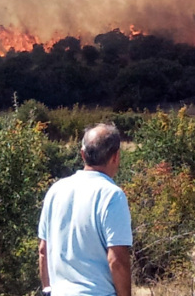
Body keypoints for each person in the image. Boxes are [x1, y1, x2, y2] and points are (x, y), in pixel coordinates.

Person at [38, 123, 132, 296]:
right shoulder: (112, 195)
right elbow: (116, 259)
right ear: (116, 157)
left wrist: (47, 290)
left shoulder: (55, 190)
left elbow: (43, 250)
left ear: (83, 154)